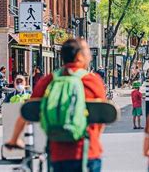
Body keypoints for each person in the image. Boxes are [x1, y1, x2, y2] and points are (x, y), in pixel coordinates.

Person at [6, 39, 106, 172]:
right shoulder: (92, 80)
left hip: (57, 153)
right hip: (88, 152)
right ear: (79, 56)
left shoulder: (48, 80)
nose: (90, 56)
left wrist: (14, 139)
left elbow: (27, 111)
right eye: (88, 51)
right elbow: (103, 118)